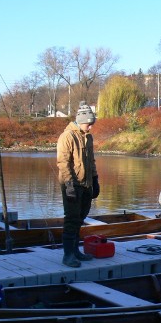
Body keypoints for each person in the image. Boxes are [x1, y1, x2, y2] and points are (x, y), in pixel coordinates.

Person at [56, 102, 100, 268]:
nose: (90, 127)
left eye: (91, 124)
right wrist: (69, 185)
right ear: (81, 120)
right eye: (89, 124)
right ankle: (68, 255)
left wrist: (95, 180)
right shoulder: (67, 136)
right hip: (72, 184)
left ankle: (75, 251)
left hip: (87, 184)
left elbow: (91, 161)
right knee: (72, 219)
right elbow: (63, 163)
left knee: (80, 219)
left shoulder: (88, 137)